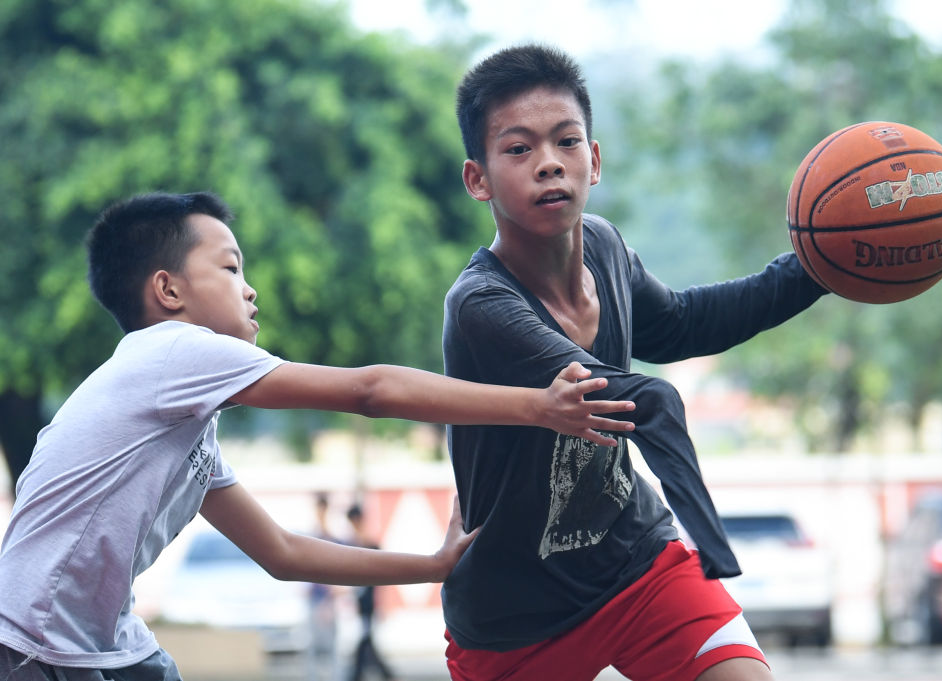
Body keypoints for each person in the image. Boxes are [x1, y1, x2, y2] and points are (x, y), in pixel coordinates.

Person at [0, 191, 637, 681]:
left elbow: (283, 553)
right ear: (168, 292)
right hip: (30, 644)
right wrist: (540, 406)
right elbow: (369, 392)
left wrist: (434, 566)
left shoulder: (183, 423)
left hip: (109, 646)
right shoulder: (171, 352)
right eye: (229, 267)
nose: (250, 288)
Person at [440, 45, 829, 681]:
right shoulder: (481, 305)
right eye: (518, 149)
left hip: (636, 562)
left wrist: (815, 267)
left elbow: (679, 324)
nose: (548, 164)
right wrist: (712, 537)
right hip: (514, 618)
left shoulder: (605, 245)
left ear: (593, 161)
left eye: (566, 142)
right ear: (477, 178)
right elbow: (633, 399)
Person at [344, 503, 396, 681]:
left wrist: (383, 605)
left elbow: (383, 580)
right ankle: (383, 674)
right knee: (367, 641)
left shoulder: (371, 545)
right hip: (360, 604)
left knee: (365, 640)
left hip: (370, 603)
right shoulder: (351, 545)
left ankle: (357, 675)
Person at [305, 493, 342, 681]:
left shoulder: (331, 538)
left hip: (328, 598)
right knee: (312, 644)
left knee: (331, 646)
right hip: (315, 597)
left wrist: (329, 600)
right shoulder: (312, 536)